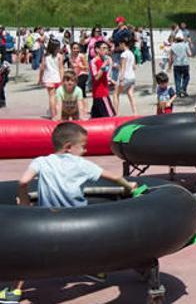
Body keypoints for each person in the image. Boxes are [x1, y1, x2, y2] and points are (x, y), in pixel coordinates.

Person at [2, 123, 137, 302]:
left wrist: (24, 201)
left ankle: (14, 292)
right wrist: (129, 187)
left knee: (28, 253)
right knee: (99, 239)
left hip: (47, 220)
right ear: (68, 147)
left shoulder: (41, 161)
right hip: (77, 220)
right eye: (83, 146)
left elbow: (23, 181)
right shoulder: (82, 164)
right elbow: (115, 177)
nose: (85, 150)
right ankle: (99, 270)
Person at [89, 42, 115, 118]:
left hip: (102, 92)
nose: (106, 50)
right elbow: (96, 77)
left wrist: (111, 80)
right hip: (101, 94)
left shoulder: (106, 60)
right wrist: (103, 66)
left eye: (106, 48)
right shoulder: (94, 61)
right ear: (97, 50)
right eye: (103, 48)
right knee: (110, 117)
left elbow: (106, 75)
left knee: (96, 119)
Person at [113, 39, 138, 116]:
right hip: (132, 76)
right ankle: (135, 112)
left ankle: (116, 113)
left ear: (123, 44)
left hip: (125, 76)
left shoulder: (123, 54)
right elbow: (134, 66)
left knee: (115, 94)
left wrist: (121, 77)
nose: (119, 46)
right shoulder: (131, 53)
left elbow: (123, 67)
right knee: (130, 94)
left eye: (119, 44)